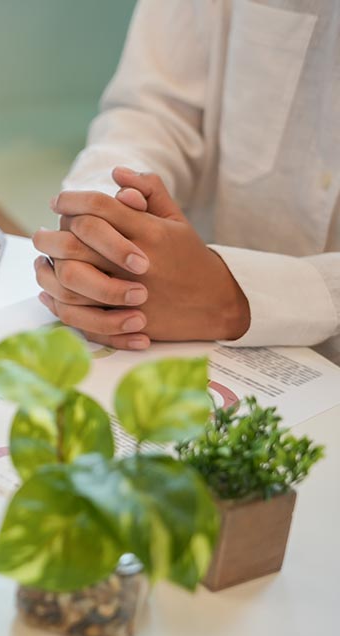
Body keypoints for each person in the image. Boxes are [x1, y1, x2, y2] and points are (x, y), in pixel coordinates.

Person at [32, 0, 340, 365]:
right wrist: (106, 226)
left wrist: (231, 297)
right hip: (189, 337)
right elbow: (156, 108)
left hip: (194, 317)